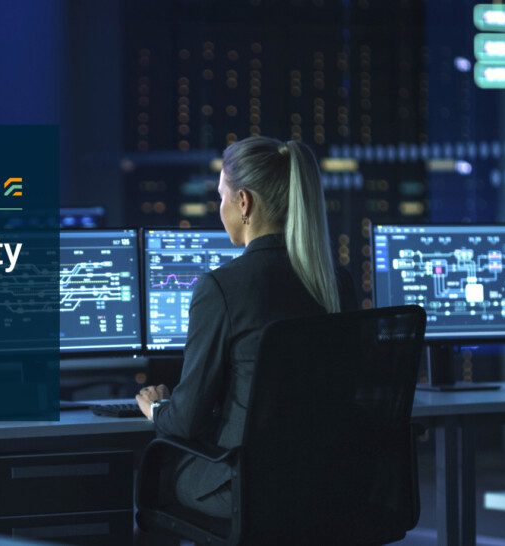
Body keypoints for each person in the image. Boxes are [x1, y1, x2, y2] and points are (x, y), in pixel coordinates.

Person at [134, 136, 355, 519]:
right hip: (331, 485)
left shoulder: (223, 287)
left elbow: (185, 421)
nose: (219, 208)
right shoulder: (336, 282)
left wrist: (157, 409)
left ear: (244, 202)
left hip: (250, 489)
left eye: (222, 196)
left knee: (160, 479)